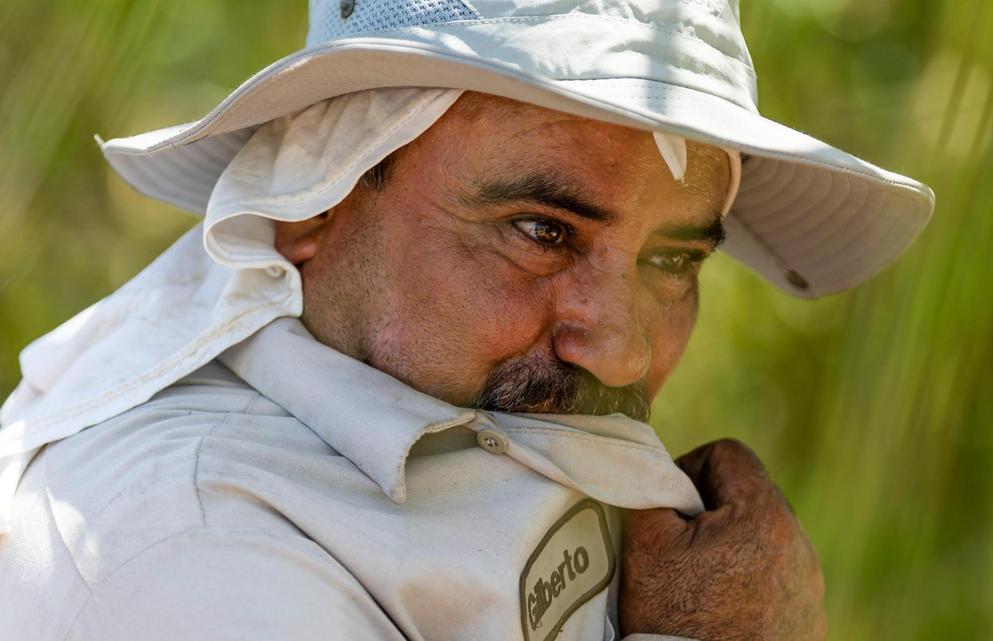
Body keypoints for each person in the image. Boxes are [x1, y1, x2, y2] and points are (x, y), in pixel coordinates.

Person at [0, 1, 933, 640]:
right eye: (542, 231)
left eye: (672, 261)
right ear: (310, 205)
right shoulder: (186, 557)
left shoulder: (451, 400)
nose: (621, 346)